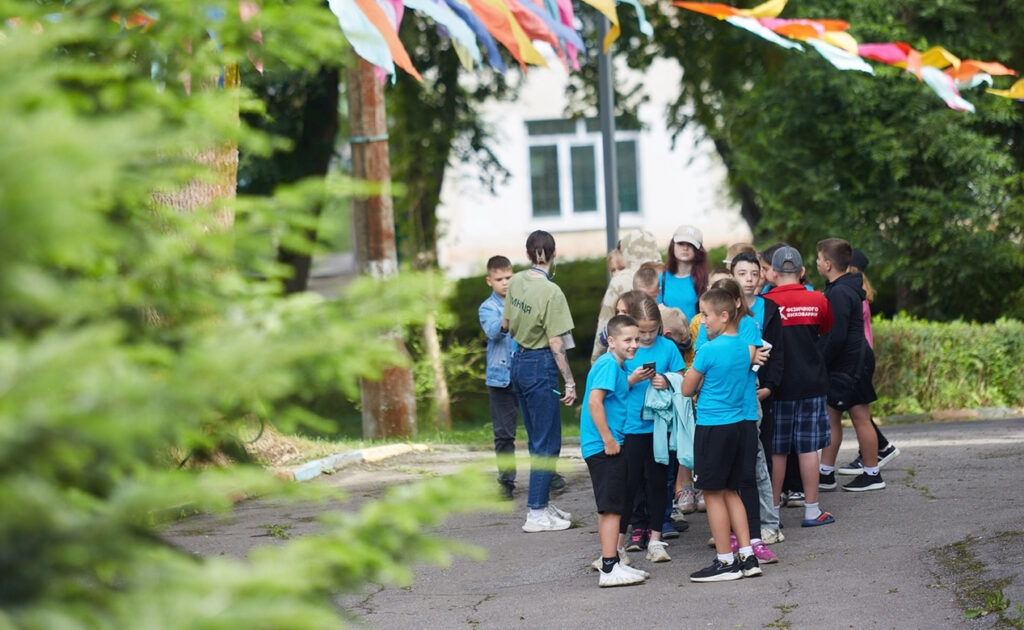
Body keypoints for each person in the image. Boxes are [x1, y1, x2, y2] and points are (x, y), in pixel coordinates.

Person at [683, 287, 762, 582]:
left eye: (706, 315)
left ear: (725, 315)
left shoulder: (707, 351)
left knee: (713, 493)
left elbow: (686, 388)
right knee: (732, 490)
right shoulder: (744, 347)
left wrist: (699, 379)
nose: (703, 321)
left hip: (713, 427)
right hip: (739, 425)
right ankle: (747, 554)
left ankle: (725, 560)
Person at [502, 230, 577, 533]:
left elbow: (506, 325)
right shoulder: (552, 292)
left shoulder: (516, 281)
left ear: (528, 254)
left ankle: (543, 504)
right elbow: (556, 342)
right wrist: (569, 381)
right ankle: (535, 512)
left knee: (536, 440)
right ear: (553, 254)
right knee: (548, 442)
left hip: (518, 362)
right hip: (540, 364)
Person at [763, 246, 836, 527]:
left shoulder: (765, 302)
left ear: (773, 272)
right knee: (808, 448)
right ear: (802, 271)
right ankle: (812, 510)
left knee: (778, 450)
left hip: (777, 386)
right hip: (812, 383)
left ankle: (773, 512)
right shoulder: (818, 299)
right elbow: (824, 330)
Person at [580, 314, 651, 587]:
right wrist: (609, 439)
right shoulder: (608, 364)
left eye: (637, 339)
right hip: (604, 446)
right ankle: (609, 569)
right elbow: (595, 403)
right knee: (611, 509)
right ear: (611, 341)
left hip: (607, 444)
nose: (634, 344)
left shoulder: (617, 367)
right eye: (628, 340)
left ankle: (613, 562)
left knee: (612, 507)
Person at [815, 239, 885, 492]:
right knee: (832, 414)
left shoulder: (841, 293)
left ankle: (872, 473)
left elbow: (837, 335)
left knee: (860, 417)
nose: (816, 263)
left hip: (851, 364)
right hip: (848, 362)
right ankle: (825, 473)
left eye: (818, 259)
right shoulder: (840, 288)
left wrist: (818, 358)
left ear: (828, 264)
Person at [620, 297, 686, 562]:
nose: (646, 337)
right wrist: (632, 379)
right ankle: (636, 528)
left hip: (660, 426)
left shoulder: (668, 347)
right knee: (631, 482)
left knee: (659, 481)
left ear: (660, 326)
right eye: (641, 331)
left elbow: (682, 378)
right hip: (631, 425)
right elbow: (611, 387)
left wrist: (667, 380)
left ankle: (656, 537)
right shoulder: (627, 349)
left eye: (652, 331)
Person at [731, 253, 786, 550]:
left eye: (754, 273)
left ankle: (768, 521)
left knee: (759, 461)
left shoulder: (770, 310)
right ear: (732, 277)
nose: (749, 279)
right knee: (738, 464)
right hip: (731, 397)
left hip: (759, 394)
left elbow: (776, 355)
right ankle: (740, 524)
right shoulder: (724, 311)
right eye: (742, 274)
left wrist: (769, 388)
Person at [836, 249, 900, 476]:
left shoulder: (852, 294)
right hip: (863, 355)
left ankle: (878, 451)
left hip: (858, 358)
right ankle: (877, 449)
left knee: (857, 410)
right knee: (858, 410)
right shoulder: (858, 292)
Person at [479, 256, 520, 499]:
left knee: (539, 428)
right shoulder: (487, 307)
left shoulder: (524, 301)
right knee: (504, 434)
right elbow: (494, 331)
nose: (505, 283)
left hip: (525, 373)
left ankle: (548, 472)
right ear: (489, 281)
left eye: (509, 278)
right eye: (499, 279)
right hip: (500, 379)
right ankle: (506, 479)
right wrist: (510, 313)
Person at [591, 230, 662, 363]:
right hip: (659, 348)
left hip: (626, 352)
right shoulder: (664, 274)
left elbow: (605, 322)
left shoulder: (621, 279)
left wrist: (595, 361)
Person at [659, 224, 709, 320]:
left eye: (690, 245)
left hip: (696, 334)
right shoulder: (662, 278)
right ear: (673, 246)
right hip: (668, 333)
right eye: (681, 243)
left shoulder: (706, 280)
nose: (685, 248)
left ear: (698, 250)